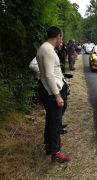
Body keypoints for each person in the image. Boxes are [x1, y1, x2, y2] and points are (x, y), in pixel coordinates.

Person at [36, 26, 71, 163]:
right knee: (56, 121)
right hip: (50, 91)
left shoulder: (43, 48)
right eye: (61, 38)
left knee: (51, 119)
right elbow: (49, 75)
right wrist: (57, 95)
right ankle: (56, 152)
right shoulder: (48, 51)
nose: (61, 40)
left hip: (48, 89)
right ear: (58, 36)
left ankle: (49, 144)